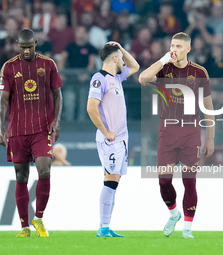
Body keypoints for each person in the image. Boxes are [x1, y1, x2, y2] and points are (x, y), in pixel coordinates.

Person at [138, 32, 215, 238]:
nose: (174, 49)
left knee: (189, 181)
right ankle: (173, 214)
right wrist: (163, 59)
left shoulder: (199, 72)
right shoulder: (164, 68)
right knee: (163, 181)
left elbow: (208, 108)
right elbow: (142, 79)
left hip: (191, 131)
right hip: (167, 130)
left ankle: (187, 229)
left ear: (188, 49)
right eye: (172, 45)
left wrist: (211, 137)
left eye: (179, 46)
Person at [0, 29, 63, 238]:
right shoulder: (8, 67)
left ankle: (39, 218)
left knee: (44, 170)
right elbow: (3, 101)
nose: (26, 51)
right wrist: (1, 128)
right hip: (18, 130)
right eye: (22, 47)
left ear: (36, 43)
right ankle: (24, 226)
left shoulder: (48, 64)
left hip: (42, 128)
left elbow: (57, 94)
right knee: (21, 176)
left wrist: (56, 120)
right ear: (17, 45)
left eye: (30, 47)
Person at [87, 41, 139, 237]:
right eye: (121, 57)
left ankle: (106, 227)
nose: (124, 60)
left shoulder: (117, 77)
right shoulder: (99, 79)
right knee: (111, 181)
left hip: (121, 140)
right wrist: (106, 131)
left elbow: (135, 67)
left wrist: (121, 48)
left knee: (114, 181)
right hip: (110, 140)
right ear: (115, 59)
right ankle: (103, 227)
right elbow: (91, 108)